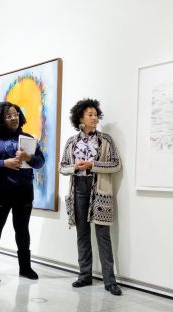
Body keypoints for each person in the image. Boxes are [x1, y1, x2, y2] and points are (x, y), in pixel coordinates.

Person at [59, 98, 123, 296]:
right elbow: (62, 167)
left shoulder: (106, 140)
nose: (94, 117)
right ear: (81, 117)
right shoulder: (72, 141)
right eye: (90, 114)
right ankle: (84, 275)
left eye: (96, 114)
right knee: (82, 233)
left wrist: (92, 166)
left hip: (99, 189)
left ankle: (110, 281)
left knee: (103, 234)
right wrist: (75, 168)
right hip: (78, 187)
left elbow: (116, 164)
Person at [0, 101, 45, 280]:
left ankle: (25, 268)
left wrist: (28, 157)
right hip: (0, 192)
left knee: (22, 230)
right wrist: (4, 163)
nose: (13, 118)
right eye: (8, 116)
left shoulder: (28, 138)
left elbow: (40, 162)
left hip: (24, 191)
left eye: (15, 114)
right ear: (0, 118)